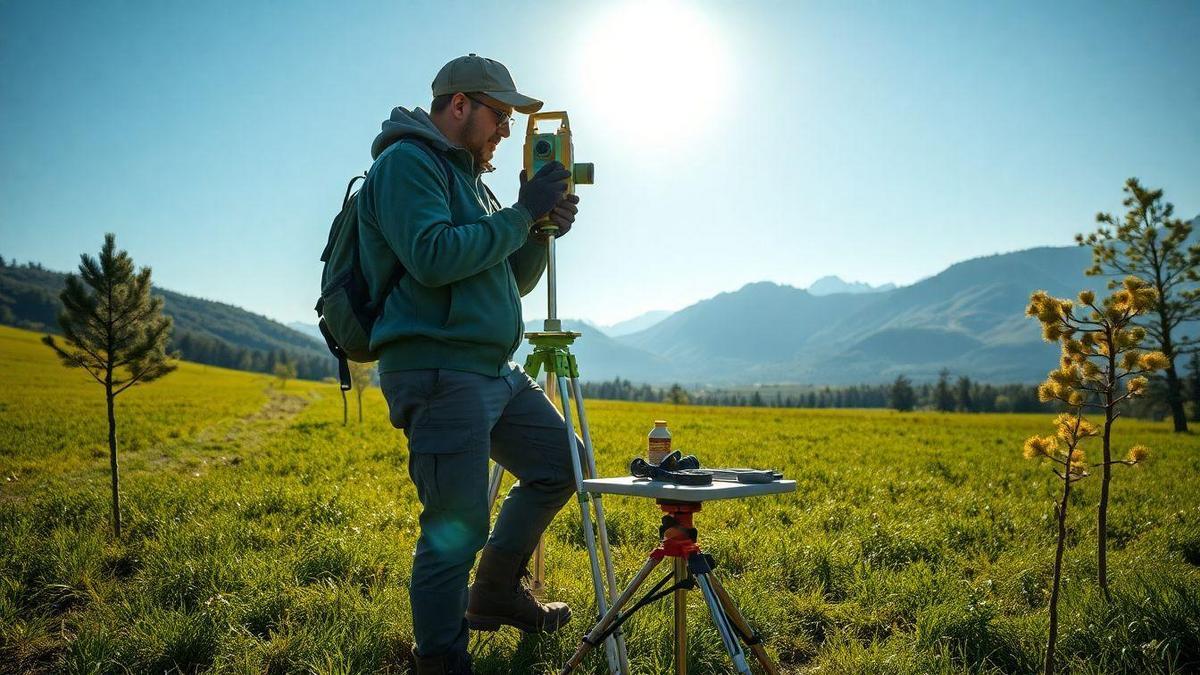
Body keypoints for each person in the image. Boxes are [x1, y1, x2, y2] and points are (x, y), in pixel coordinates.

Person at [356, 54, 582, 675]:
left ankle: (496, 594)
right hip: (436, 368)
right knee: (455, 529)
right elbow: (431, 256)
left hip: (490, 371)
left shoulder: (471, 182)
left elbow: (513, 280)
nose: (507, 132)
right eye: (500, 115)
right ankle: (441, 660)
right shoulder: (407, 164)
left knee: (563, 464)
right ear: (460, 106)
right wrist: (515, 216)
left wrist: (535, 228)